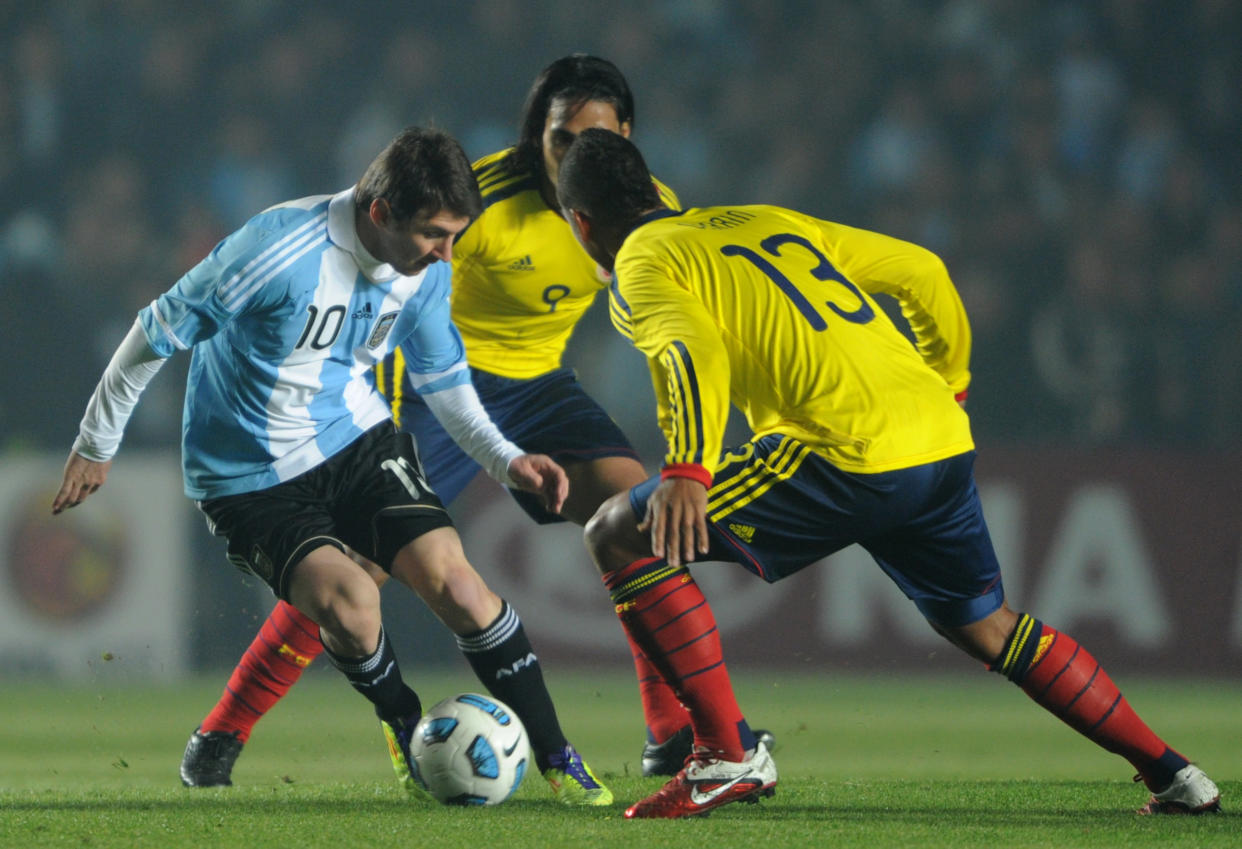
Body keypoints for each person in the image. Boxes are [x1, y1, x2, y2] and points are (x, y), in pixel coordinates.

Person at [555, 128, 1223, 819]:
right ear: (657, 190)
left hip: (839, 449)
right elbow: (923, 271)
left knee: (615, 531)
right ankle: (1175, 774)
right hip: (935, 437)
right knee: (991, 626)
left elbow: (690, 352)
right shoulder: (765, 220)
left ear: (581, 222)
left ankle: (726, 755)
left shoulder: (642, 264)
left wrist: (689, 468)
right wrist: (951, 386)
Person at [179, 55, 768, 790]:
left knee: (638, 515)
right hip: (441, 389)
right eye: (560, 139)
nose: (574, 157)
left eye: (595, 140)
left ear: (628, 138)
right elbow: (399, 309)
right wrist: (378, 442)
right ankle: (223, 731)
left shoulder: (642, 206)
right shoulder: (484, 201)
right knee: (356, 572)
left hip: (543, 387)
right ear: (536, 138)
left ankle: (671, 730)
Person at [53, 126, 613, 806]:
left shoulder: (425, 273)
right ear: (380, 212)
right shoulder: (276, 248)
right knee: (353, 602)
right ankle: (406, 725)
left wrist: (507, 459)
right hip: (247, 473)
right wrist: (96, 441)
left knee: (460, 586)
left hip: (354, 437)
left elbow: (444, 382)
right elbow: (154, 329)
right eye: (435, 234)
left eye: (456, 235)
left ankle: (559, 755)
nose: (447, 254)